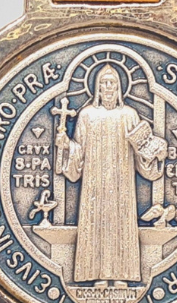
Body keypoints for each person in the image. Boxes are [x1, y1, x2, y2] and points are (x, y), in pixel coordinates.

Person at [55, 65, 166, 284]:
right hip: (94, 184)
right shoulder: (86, 115)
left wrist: (156, 155)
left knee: (121, 226)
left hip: (122, 183)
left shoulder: (129, 115)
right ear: (97, 87)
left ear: (119, 87)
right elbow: (79, 153)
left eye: (112, 83)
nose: (108, 87)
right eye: (104, 83)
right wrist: (67, 145)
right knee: (94, 224)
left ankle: (123, 275)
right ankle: (95, 275)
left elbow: (142, 150)